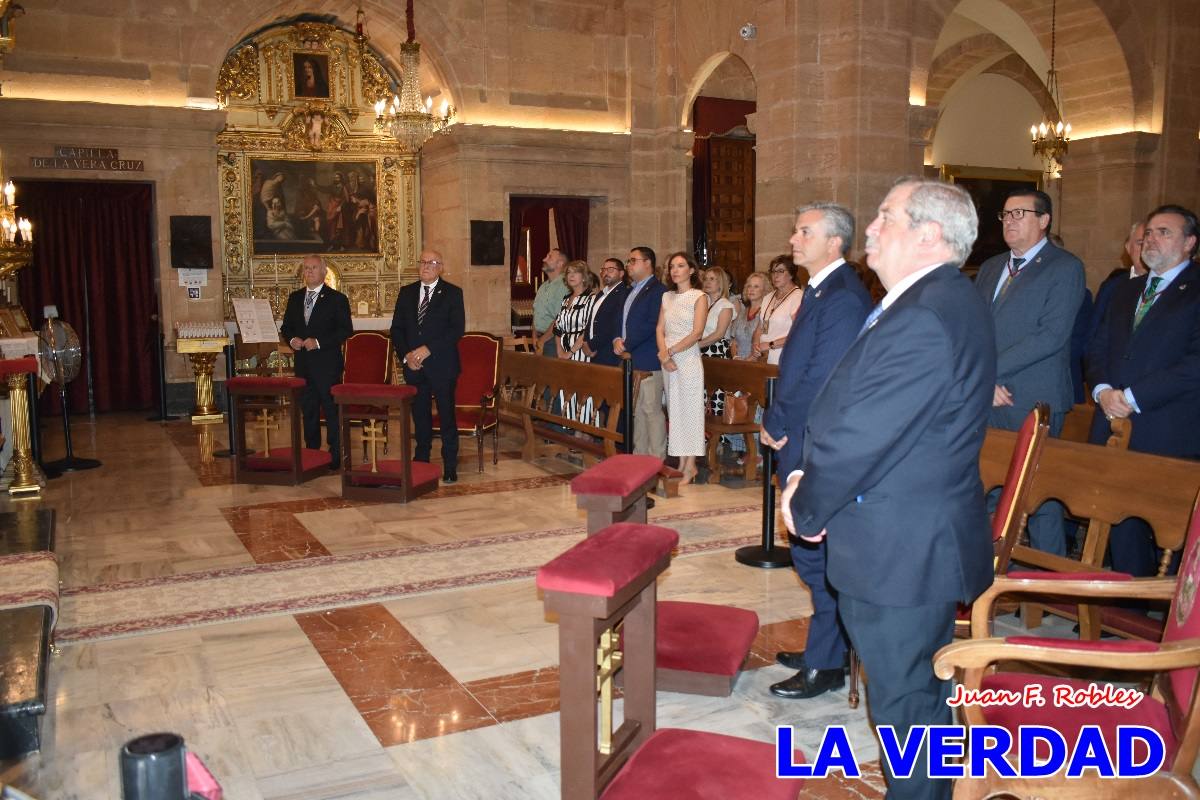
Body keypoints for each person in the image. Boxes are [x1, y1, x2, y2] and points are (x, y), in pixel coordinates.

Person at [782, 178, 995, 800]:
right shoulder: (931, 298)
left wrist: (809, 499)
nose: (870, 228)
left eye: (885, 216)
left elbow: (868, 432)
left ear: (929, 235)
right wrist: (807, 473)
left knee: (907, 704)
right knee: (910, 699)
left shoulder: (927, 312)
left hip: (901, 547)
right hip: (902, 535)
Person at [761, 203, 871, 701]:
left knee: (817, 554)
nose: (792, 237)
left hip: (811, 438)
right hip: (798, 433)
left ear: (834, 242)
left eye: (804, 230)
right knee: (810, 556)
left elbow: (824, 378)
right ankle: (824, 648)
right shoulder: (822, 289)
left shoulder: (844, 296)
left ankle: (828, 663)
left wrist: (779, 421)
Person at [1087, 204, 1200, 576]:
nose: (1152, 239)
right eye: (1149, 232)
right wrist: (1103, 390)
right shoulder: (1126, 289)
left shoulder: (1195, 290)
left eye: (1164, 232)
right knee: (1119, 520)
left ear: (1189, 243)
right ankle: (1124, 608)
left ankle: (1168, 616)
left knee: (1168, 528)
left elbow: (1194, 363)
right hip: (1112, 420)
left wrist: (1132, 397)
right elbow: (1098, 346)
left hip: (1166, 426)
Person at [974, 188, 1085, 556]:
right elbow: (974, 330)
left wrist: (989, 372)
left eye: (1019, 214)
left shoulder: (1065, 267)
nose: (1009, 221)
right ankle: (988, 578)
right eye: (1005, 215)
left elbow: (1050, 336)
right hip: (988, 396)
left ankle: (1045, 591)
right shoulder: (991, 268)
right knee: (987, 489)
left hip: (1034, 397)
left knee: (1040, 501)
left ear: (1044, 220)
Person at [390, 249, 466, 483]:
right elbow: (397, 329)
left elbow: (456, 329)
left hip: (442, 364)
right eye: (422, 262)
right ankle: (421, 458)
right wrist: (407, 356)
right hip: (414, 366)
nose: (425, 266)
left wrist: (428, 349)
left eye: (431, 263)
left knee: (446, 415)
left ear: (441, 267)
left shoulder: (452, 293)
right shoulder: (407, 293)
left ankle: (450, 464)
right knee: (420, 415)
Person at [280, 255, 353, 465]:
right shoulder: (295, 298)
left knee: (331, 410)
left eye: (313, 268)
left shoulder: (337, 299)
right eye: (306, 268)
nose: (309, 272)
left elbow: (345, 330)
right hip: (303, 364)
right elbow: (286, 327)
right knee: (308, 409)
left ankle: (335, 455)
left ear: (324, 272)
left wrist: (319, 342)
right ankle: (312, 453)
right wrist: (292, 339)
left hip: (327, 365)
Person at [656, 252, 708, 485]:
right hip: (667, 360)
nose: (675, 270)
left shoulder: (699, 296)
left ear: (692, 270)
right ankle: (680, 463)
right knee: (675, 413)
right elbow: (659, 329)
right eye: (672, 267)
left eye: (680, 266)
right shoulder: (667, 297)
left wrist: (672, 351)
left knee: (690, 412)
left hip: (687, 360)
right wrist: (663, 354)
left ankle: (691, 465)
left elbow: (697, 332)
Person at [613, 246, 668, 457]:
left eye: (633, 260)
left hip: (648, 359)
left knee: (651, 410)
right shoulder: (631, 290)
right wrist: (617, 338)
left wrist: (627, 345)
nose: (628, 265)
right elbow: (621, 319)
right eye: (628, 261)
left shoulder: (658, 291)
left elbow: (651, 323)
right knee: (637, 411)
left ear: (648, 263)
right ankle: (639, 456)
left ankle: (656, 458)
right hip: (632, 359)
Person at [551, 260, 599, 425]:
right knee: (568, 388)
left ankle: (585, 429)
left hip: (580, 350)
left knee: (583, 388)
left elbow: (587, 329)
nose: (571, 276)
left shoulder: (591, 298)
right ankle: (570, 425)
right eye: (568, 273)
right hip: (563, 349)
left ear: (584, 277)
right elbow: (558, 328)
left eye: (575, 272)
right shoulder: (566, 299)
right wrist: (559, 350)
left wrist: (570, 352)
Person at [697, 266, 737, 416]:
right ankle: (702, 435)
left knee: (715, 394)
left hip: (716, 351)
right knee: (700, 392)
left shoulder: (726, 305)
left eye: (712, 279)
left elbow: (719, 333)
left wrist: (696, 344)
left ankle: (718, 437)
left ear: (721, 283)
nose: (707, 282)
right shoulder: (702, 303)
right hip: (700, 351)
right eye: (706, 278)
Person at [754, 255, 804, 364]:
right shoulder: (768, 297)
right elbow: (760, 328)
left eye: (780, 271)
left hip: (785, 357)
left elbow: (800, 333)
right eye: (773, 271)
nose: (775, 275)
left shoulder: (798, 297)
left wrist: (770, 345)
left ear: (791, 274)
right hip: (764, 358)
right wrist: (756, 346)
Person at [583, 257, 629, 366]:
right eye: (603, 270)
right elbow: (591, 319)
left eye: (610, 270)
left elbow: (613, 324)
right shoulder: (601, 294)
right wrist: (585, 342)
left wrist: (592, 345)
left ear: (621, 273)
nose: (605, 273)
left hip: (608, 351)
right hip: (593, 351)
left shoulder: (623, 293)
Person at [532, 249, 569, 356]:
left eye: (550, 257)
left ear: (560, 263)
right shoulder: (543, 286)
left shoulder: (564, 286)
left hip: (553, 340)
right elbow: (536, 312)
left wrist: (542, 340)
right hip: (540, 339)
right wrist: (534, 335)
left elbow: (559, 318)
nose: (544, 259)